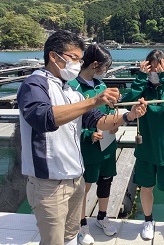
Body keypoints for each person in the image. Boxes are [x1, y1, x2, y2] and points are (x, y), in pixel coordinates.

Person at [17, 30, 147, 245]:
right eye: (74, 58)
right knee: (53, 241)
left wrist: (129, 115)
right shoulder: (35, 84)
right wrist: (93, 101)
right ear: (53, 56)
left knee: (69, 237)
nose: (78, 63)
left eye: (79, 58)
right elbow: (44, 118)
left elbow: (100, 121)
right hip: (49, 182)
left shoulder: (70, 91)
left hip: (75, 177)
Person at [120, 49, 164, 241]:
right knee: (146, 187)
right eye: (152, 68)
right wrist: (141, 77)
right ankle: (148, 220)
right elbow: (126, 103)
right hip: (145, 150)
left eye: (160, 68)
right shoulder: (143, 88)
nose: (156, 72)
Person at [67, 43, 118, 245]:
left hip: (107, 144)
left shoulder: (102, 86)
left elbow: (107, 113)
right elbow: (68, 123)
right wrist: (88, 133)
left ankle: (102, 217)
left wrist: (113, 123)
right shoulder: (73, 87)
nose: (105, 72)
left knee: (106, 181)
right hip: (87, 148)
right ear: (95, 64)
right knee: (85, 186)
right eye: (104, 67)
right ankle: (81, 224)